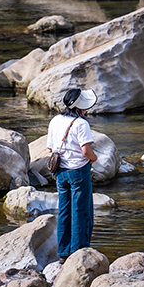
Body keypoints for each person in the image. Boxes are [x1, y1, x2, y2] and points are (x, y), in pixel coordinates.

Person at [47, 88, 98, 262]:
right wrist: (94, 158)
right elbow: (86, 151)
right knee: (81, 211)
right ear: (80, 107)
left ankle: (63, 252)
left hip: (60, 171)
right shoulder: (81, 123)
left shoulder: (55, 120)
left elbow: (50, 147)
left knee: (64, 211)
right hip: (79, 171)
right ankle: (78, 252)